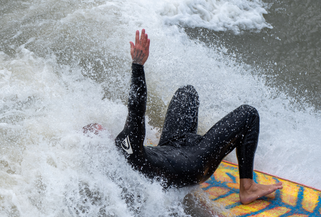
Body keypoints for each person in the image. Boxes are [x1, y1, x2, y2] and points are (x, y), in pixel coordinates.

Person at [114, 29, 282, 204]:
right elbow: (136, 109)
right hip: (192, 165)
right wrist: (138, 65)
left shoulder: (121, 149)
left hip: (172, 148)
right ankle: (247, 189)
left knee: (186, 93)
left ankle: (208, 143)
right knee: (249, 114)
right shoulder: (128, 147)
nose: (98, 128)